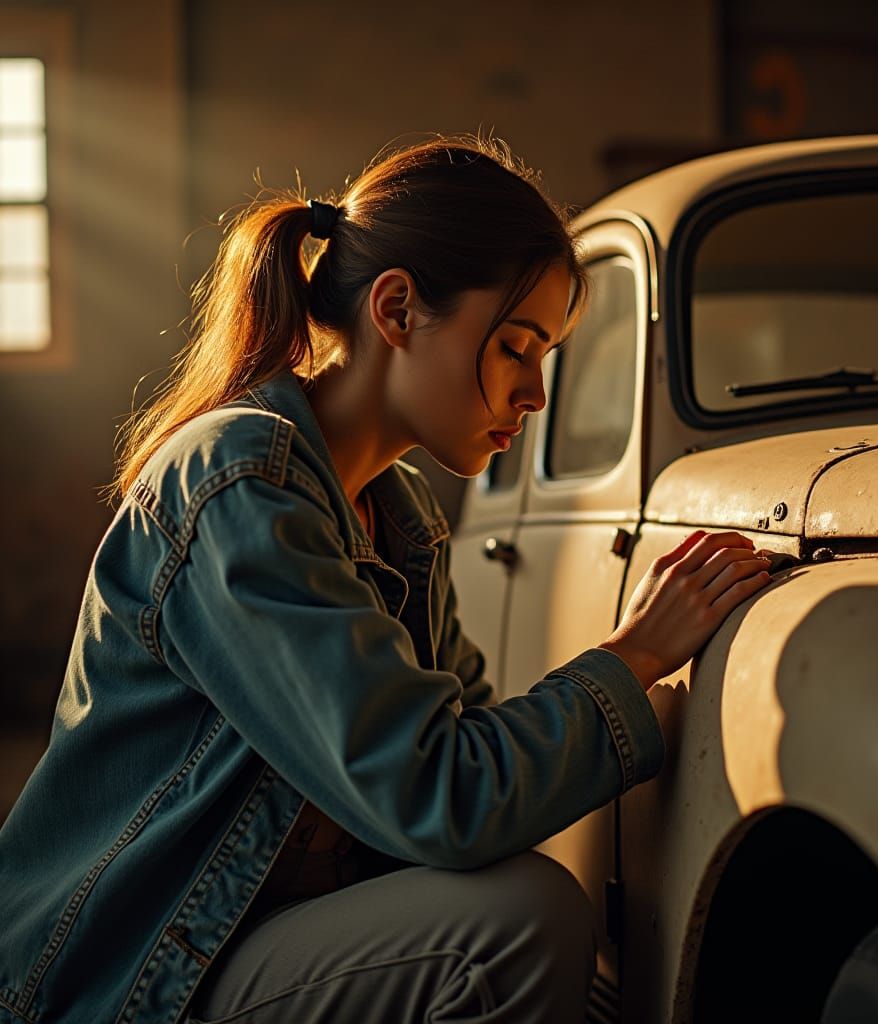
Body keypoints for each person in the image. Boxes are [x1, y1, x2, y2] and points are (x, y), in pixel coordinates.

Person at [0, 134, 772, 1024]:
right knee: (518, 928)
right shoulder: (242, 483)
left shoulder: (397, 513)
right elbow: (440, 796)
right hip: (122, 982)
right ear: (398, 309)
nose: (535, 394)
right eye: (518, 346)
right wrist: (631, 657)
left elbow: (472, 739)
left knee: (521, 900)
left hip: (247, 943)